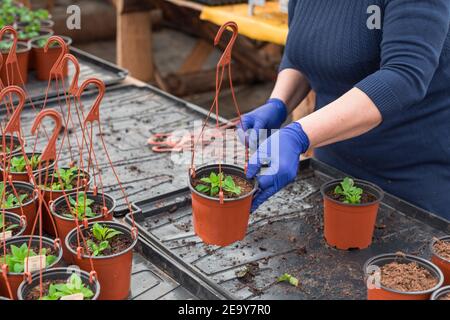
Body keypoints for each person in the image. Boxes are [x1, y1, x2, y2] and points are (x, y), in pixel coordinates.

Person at [240, 0, 450, 220]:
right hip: (331, 170)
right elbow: (301, 52)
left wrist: (299, 134)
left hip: (410, 184)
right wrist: (279, 103)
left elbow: (403, 76)